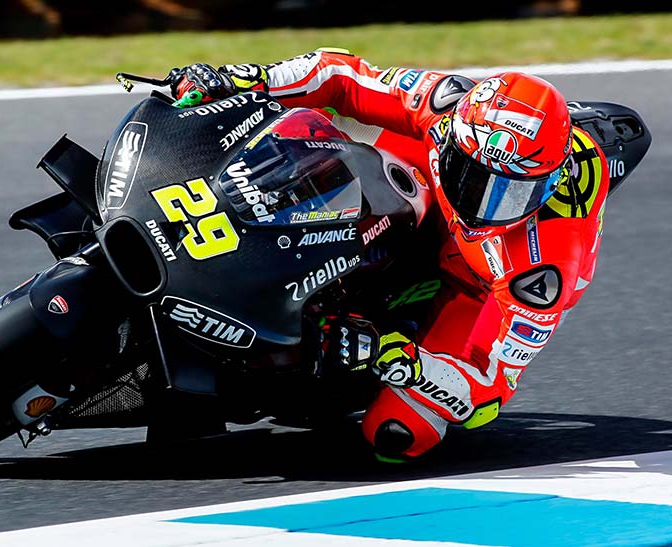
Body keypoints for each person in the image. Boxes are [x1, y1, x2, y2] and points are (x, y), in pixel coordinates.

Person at [170, 49, 609, 461]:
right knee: (308, 127)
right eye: (472, 176)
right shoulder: (445, 106)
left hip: (476, 283)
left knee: (398, 435)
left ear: (547, 186)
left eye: (509, 194)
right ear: (453, 136)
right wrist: (249, 78)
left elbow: (490, 385)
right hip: (424, 176)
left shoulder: (544, 270)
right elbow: (342, 76)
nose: (481, 203)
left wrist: (403, 362)